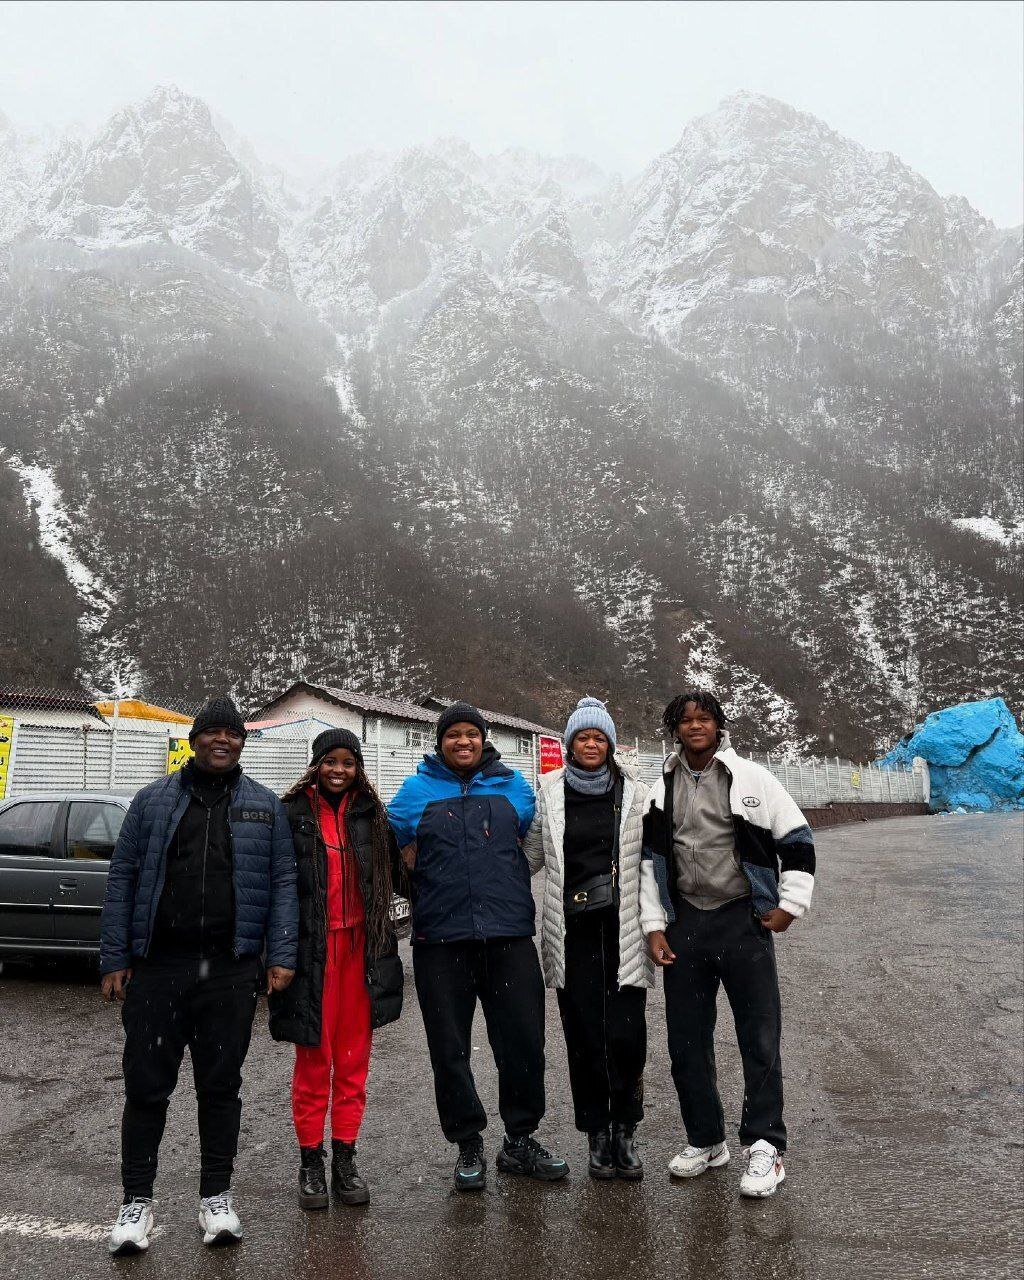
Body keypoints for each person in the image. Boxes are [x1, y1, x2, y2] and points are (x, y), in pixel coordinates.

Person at [99, 696, 298, 1255]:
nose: (222, 741)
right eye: (211, 732)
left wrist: (280, 953)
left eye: (232, 734)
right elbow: (123, 878)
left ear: (241, 743)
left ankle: (217, 1199)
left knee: (220, 1087)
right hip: (159, 967)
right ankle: (135, 1203)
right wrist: (116, 955)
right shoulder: (153, 802)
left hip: (231, 972)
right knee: (146, 1088)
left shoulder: (264, 807)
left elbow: (283, 883)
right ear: (194, 740)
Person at [387, 701, 568, 1191]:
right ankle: (468, 1142)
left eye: (471, 734)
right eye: (453, 735)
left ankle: (519, 1139)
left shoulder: (514, 787)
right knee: (450, 1048)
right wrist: (423, 890)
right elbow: (390, 851)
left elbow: (530, 847)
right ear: (440, 741)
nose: (462, 742)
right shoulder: (415, 790)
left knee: (523, 1042)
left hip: (509, 936)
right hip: (440, 943)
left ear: (484, 739)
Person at [641, 690, 816, 1198]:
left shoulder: (753, 778)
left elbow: (797, 838)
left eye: (705, 718)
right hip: (686, 925)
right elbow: (648, 862)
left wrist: (790, 905)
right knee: (686, 1042)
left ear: (719, 726)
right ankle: (706, 1139)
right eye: (685, 720)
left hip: (743, 920)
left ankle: (765, 1145)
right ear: (674, 730)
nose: (696, 726)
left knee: (758, 1038)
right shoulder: (662, 787)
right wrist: (655, 925)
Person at [524, 697, 663, 1181]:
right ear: (568, 744)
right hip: (572, 934)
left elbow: (655, 860)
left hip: (622, 931)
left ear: (609, 744)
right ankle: (596, 1134)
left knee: (626, 1036)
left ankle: (626, 1128)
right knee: (583, 1037)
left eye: (598, 737)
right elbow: (530, 855)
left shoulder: (636, 793)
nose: (589, 744)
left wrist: (660, 920)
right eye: (581, 737)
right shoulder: (549, 792)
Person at [268, 728, 405, 1210]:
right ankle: (310, 1162)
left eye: (348, 762)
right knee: (313, 1060)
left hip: (361, 952)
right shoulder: (291, 815)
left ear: (358, 766)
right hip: (313, 954)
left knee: (353, 1062)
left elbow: (399, 873)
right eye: (330, 761)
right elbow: (277, 887)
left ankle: (345, 1159)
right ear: (316, 765)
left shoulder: (374, 814)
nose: (339, 770)